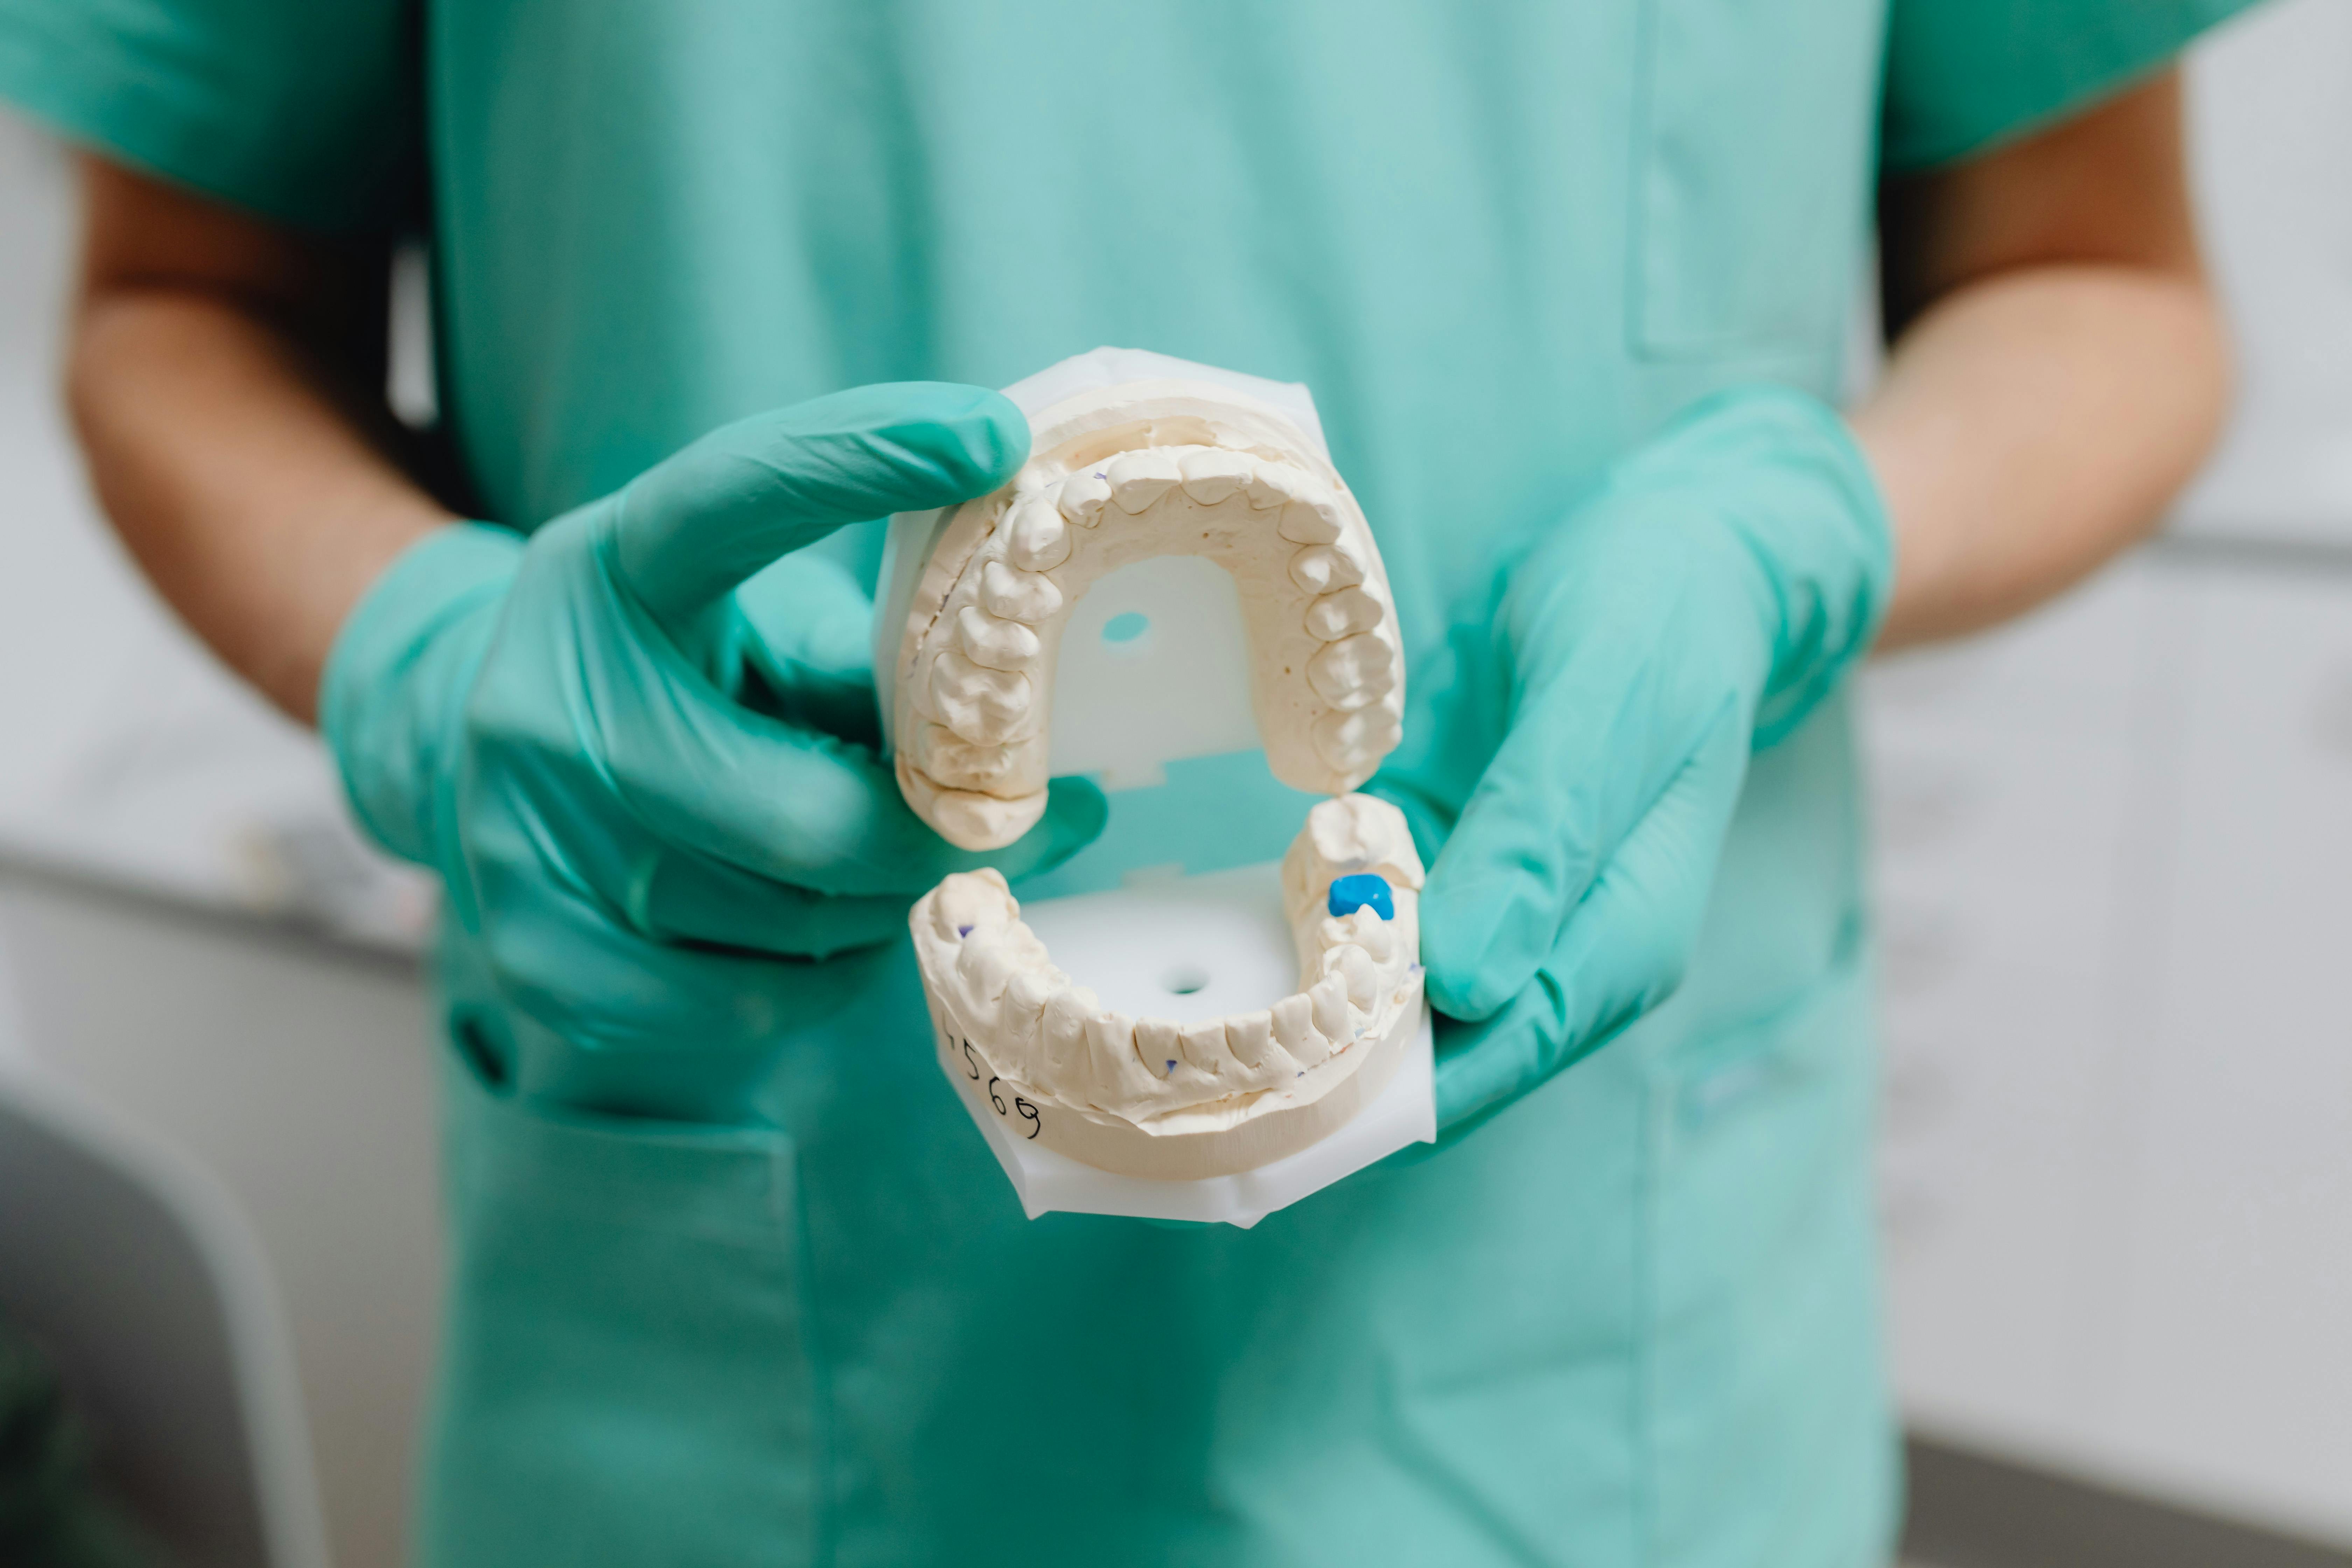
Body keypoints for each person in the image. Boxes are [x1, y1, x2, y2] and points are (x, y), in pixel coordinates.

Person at [0, 2, 2248, 1562]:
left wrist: (1806, 533)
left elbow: (2104, 279)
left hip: (1591, 1362)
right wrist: (425, 649)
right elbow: (176, 304)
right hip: (737, 1351)